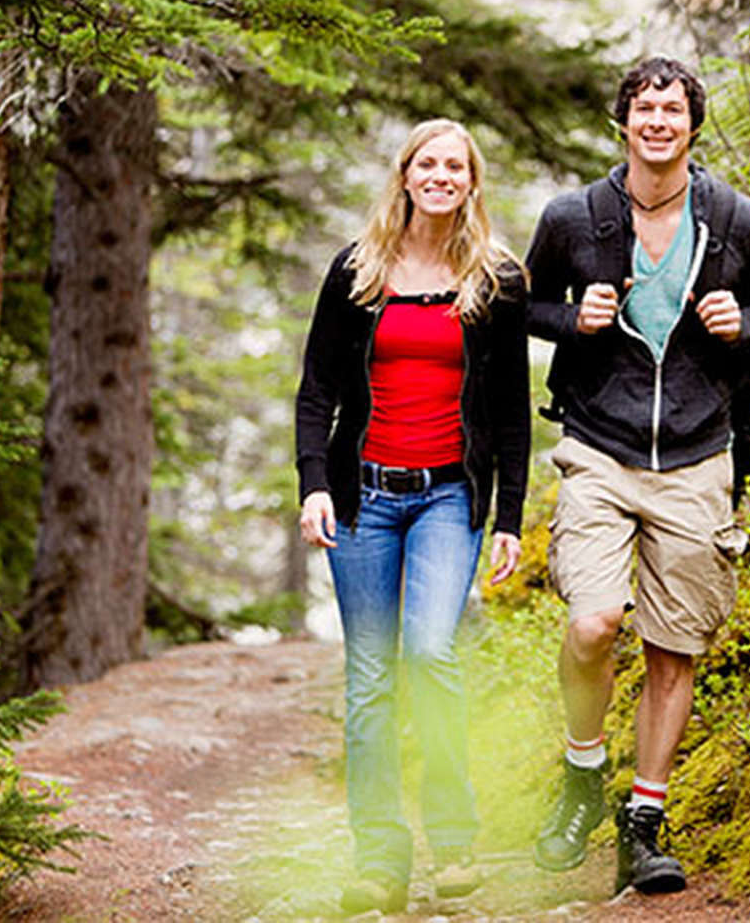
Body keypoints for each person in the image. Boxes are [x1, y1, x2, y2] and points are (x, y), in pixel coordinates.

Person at [524, 57, 750, 896]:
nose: (657, 122)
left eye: (672, 109)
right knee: (594, 623)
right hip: (598, 448)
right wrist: (574, 320)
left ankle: (643, 820)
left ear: (692, 124)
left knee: (673, 647)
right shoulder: (576, 215)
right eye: (644, 108)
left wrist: (742, 322)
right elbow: (525, 305)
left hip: (698, 453)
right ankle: (581, 773)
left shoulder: (736, 218)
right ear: (623, 122)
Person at [295, 119, 531, 915]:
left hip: (447, 497)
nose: (439, 175)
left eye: (453, 166)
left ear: (471, 181)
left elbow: (509, 413)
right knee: (369, 679)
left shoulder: (495, 279)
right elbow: (317, 389)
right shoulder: (357, 272)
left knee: (429, 654)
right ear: (404, 176)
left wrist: (509, 518)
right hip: (362, 495)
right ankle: (380, 861)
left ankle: (455, 842)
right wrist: (313, 484)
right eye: (426, 163)